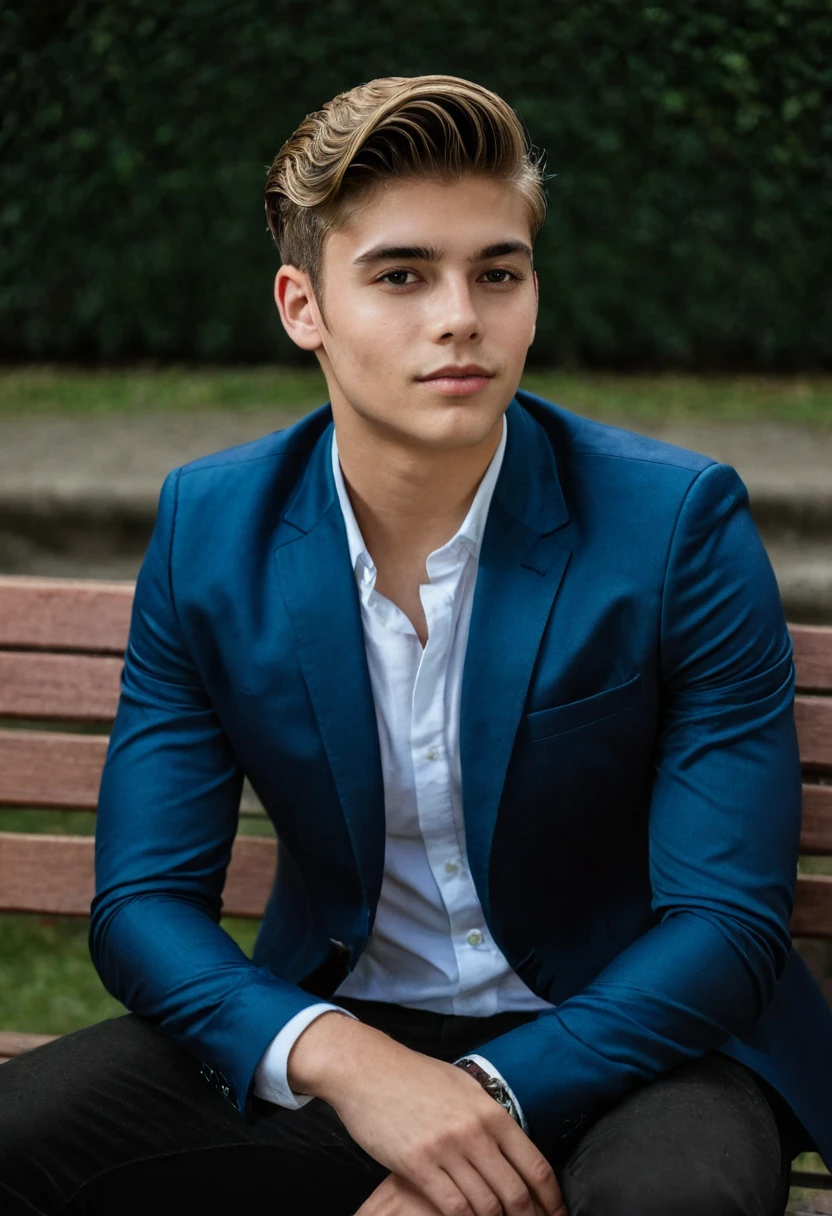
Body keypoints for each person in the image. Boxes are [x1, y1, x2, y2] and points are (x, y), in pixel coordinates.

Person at [1, 73, 830, 1216]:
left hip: (646, 1041)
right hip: (343, 1033)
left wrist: (478, 1099)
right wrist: (351, 1063)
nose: (461, 316)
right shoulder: (211, 531)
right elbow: (142, 902)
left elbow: (726, 927)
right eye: (401, 275)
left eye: (498, 272)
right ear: (303, 307)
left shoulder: (674, 524)